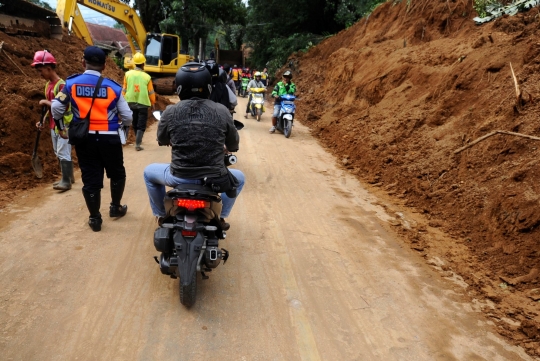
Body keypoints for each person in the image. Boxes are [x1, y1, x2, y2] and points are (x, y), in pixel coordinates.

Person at [143, 62, 245, 230]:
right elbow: (234, 144)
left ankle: (162, 214)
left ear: (180, 88)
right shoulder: (222, 111)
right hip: (214, 177)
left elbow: (161, 138)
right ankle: (221, 217)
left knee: (148, 173)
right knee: (240, 177)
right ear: (208, 87)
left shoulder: (170, 111)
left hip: (179, 175)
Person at [51, 46, 133, 232]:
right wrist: (123, 128)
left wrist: (61, 126)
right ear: (104, 66)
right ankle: (115, 208)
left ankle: (95, 219)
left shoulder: (71, 84)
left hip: (84, 139)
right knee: (117, 173)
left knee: (90, 178)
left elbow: (56, 107)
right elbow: (127, 116)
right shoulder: (113, 87)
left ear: (83, 62)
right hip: (110, 139)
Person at [31, 50, 74, 191]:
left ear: (49, 68)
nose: (40, 74)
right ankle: (68, 177)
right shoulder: (48, 85)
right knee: (58, 151)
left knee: (63, 152)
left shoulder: (61, 86)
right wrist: (42, 120)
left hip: (64, 125)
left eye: (41, 70)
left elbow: (62, 106)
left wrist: (45, 102)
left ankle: (66, 181)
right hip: (53, 125)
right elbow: (50, 109)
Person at [122, 52, 156, 151]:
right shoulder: (147, 77)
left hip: (130, 102)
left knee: (135, 121)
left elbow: (124, 89)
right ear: (143, 64)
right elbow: (151, 92)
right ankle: (138, 143)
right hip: (143, 103)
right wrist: (153, 102)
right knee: (141, 123)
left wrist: (123, 101)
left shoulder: (127, 74)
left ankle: (138, 140)